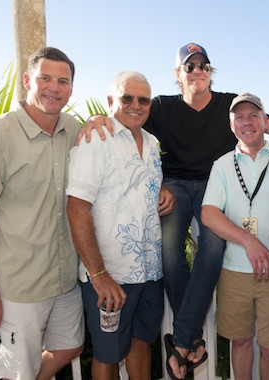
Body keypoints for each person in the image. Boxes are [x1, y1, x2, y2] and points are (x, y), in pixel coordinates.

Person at [82, 42, 269, 376]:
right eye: (190, 66)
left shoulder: (228, 105)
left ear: (210, 71)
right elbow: (129, 118)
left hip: (214, 187)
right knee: (170, 253)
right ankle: (193, 339)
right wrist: (97, 117)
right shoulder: (161, 106)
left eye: (203, 65)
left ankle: (185, 338)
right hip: (174, 185)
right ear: (179, 74)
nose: (198, 71)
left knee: (213, 249)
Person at [0, 47, 84, 379]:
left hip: (63, 281)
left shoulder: (74, 130)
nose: (54, 88)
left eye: (63, 81)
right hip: (17, 287)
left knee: (70, 347)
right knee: (14, 371)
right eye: (45, 78)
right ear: (28, 80)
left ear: (72, 88)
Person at [66, 71, 164, 380]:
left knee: (140, 342)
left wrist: (165, 192)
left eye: (143, 100)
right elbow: (77, 207)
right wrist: (99, 275)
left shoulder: (152, 143)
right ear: (111, 101)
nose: (136, 105)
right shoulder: (96, 139)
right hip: (111, 275)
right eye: (127, 98)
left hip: (150, 270)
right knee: (108, 356)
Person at [197, 93, 269, 380]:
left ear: (265, 122)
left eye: (254, 115)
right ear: (231, 126)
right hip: (234, 270)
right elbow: (209, 213)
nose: (247, 122)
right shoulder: (222, 165)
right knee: (240, 342)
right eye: (239, 117)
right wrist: (249, 241)